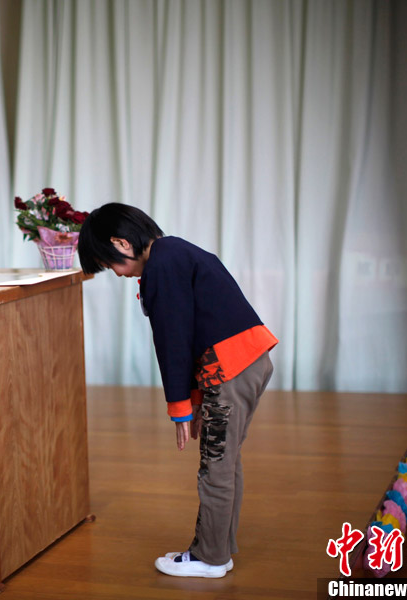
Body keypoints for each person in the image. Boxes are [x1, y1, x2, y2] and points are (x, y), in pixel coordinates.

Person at [77, 203, 278, 578]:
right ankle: (220, 548)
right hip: (248, 362)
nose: (118, 274)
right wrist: (197, 401)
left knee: (215, 466)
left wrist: (180, 407)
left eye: (111, 264)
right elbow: (197, 328)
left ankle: (210, 558)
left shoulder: (162, 266)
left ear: (121, 242)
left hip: (230, 369)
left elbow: (174, 339)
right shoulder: (175, 251)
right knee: (227, 460)